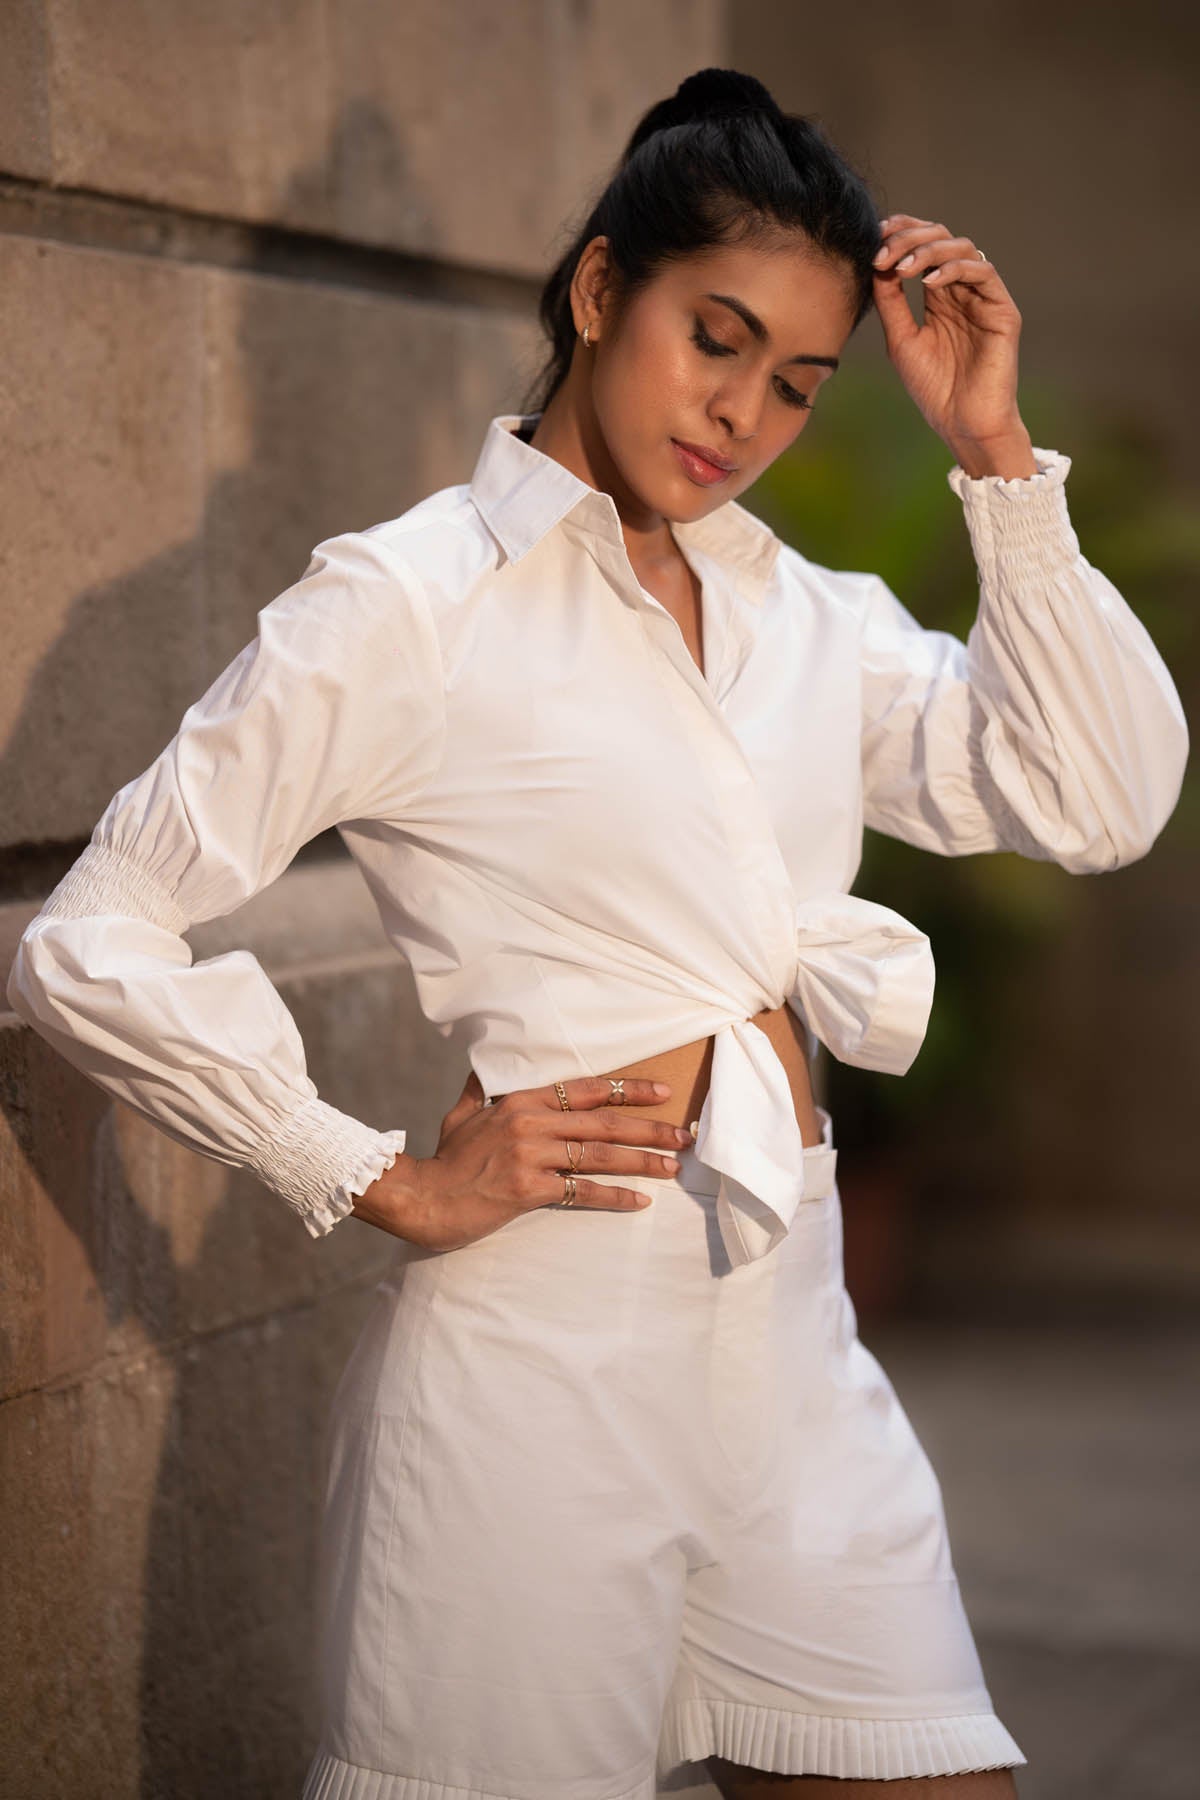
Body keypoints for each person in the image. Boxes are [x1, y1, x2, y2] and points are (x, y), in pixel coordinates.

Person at [7, 64, 1188, 1800]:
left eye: (797, 383)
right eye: (716, 339)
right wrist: (372, 1172)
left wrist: (998, 460)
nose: (744, 414)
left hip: (794, 1357)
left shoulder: (804, 616)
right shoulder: (409, 603)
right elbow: (91, 935)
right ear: (598, 288)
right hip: (536, 1385)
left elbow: (1101, 795)